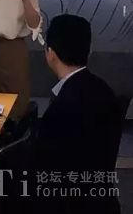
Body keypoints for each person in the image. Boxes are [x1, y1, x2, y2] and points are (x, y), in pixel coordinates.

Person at [31, 14, 121, 214]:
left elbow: (43, 167)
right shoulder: (104, 90)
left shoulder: (62, 107)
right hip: (102, 203)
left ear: (50, 54)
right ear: (89, 51)